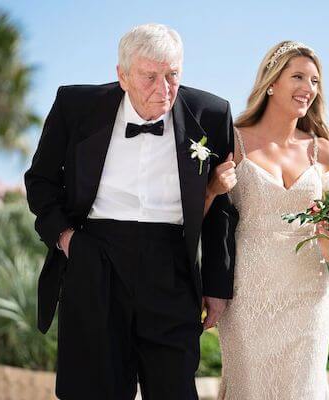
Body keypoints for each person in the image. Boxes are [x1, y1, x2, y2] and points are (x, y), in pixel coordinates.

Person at [24, 23, 237, 400]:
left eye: (173, 75)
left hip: (172, 266)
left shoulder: (212, 113)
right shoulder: (76, 107)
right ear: (122, 75)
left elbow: (219, 205)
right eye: (150, 76)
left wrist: (217, 287)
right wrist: (66, 239)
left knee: (174, 390)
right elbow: (40, 180)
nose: (164, 89)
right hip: (95, 258)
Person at [207, 41, 329, 399]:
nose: (308, 89)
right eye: (298, 76)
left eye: (314, 81)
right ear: (271, 82)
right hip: (249, 292)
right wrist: (214, 189)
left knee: (306, 388)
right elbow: (204, 217)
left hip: (308, 293)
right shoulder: (232, 141)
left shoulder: (323, 151)